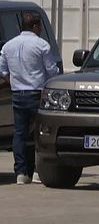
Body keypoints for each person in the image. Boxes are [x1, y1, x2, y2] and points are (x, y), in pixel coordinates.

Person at [1, 12, 61, 184]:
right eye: (39, 26)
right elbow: (51, 70)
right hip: (36, 93)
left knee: (19, 134)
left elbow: (2, 70)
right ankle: (37, 171)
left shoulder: (8, 46)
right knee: (38, 133)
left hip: (17, 94)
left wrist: (13, 81)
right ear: (35, 26)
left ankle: (21, 172)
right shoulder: (41, 45)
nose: (41, 29)